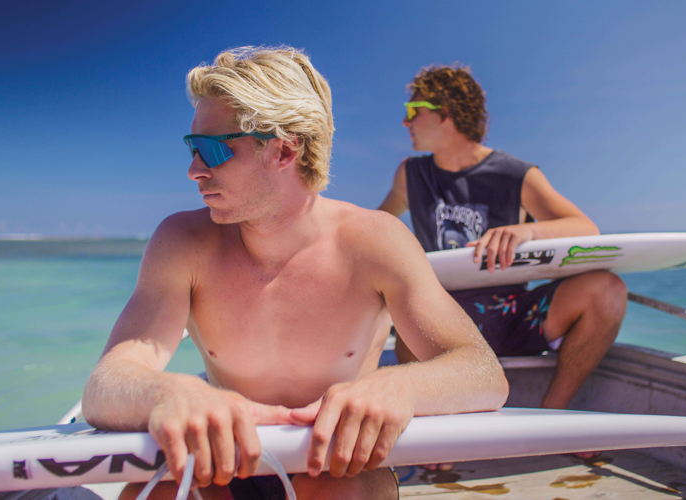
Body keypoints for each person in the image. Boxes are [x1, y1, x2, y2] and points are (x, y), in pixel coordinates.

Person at [81, 47, 508, 500]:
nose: (194, 171)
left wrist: (398, 386)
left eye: (211, 150)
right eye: (193, 148)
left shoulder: (374, 242)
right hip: (225, 462)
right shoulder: (183, 242)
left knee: (332, 487)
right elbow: (106, 383)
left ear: (284, 150)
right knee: (161, 491)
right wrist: (169, 393)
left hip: (334, 464)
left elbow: (482, 373)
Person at [379, 65, 627, 446]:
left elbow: (584, 227)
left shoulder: (515, 174)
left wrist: (527, 230)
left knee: (606, 291)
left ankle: (552, 419)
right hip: (444, 324)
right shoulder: (410, 176)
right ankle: (437, 434)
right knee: (408, 317)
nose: (405, 121)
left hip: (513, 316)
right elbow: (377, 226)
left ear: (447, 113)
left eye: (414, 110)